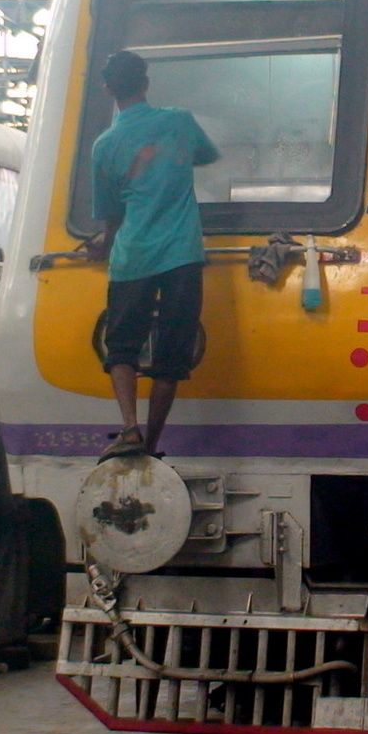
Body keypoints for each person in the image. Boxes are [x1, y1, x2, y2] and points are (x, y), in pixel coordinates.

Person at [88, 50, 220, 461]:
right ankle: (154, 443)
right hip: (182, 256)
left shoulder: (105, 145)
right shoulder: (179, 121)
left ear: (107, 88)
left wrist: (104, 244)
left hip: (133, 259)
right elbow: (207, 154)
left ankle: (130, 430)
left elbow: (111, 213)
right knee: (172, 356)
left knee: (121, 348)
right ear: (146, 83)